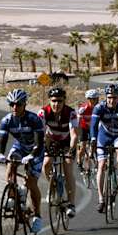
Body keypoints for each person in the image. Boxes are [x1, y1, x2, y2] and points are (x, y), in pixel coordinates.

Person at [0, 89, 45, 233]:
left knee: (31, 181)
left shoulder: (34, 119)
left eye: (18, 104)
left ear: (25, 104)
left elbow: (39, 143)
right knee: (10, 163)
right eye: (12, 104)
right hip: (20, 146)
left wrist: (31, 155)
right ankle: (13, 195)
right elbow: (2, 139)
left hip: (36, 150)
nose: (15, 107)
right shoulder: (6, 120)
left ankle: (37, 216)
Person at [38, 86, 78, 219]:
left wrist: (72, 149)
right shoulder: (43, 112)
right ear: (49, 100)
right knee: (46, 164)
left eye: (60, 101)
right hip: (51, 140)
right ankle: (52, 185)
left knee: (68, 168)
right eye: (54, 101)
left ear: (64, 101)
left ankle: (71, 204)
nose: (57, 104)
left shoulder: (70, 113)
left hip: (66, 142)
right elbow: (40, 132)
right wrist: (42, 146)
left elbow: (74, 134)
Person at [90, 84, 118, 212]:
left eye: (114, 97)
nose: (111, 100)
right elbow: (93, 125)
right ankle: (101, 199)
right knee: (101, 165)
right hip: (104, 136)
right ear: (106, 97)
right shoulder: (99, 108)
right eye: (109, 97)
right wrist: (93, 139)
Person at [75, 89, 100, 174]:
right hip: (84, 128)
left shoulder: (99, 107)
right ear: (88, 99)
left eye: (96, 99)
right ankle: (79, 161)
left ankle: (94, 158)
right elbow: (78, 122)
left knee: (95, 144)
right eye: (92, 99)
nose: (94, 101)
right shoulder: (83, 109)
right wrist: (77, 134)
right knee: (82, 146)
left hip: (94, 128)